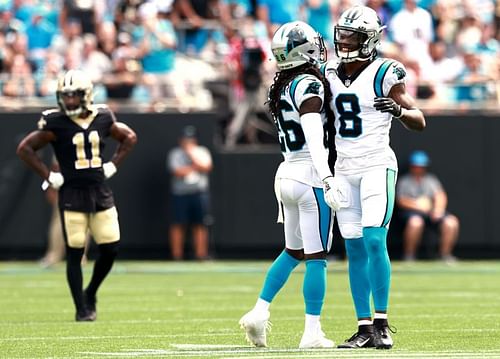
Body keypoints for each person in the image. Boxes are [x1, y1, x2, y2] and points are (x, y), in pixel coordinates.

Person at [323, 6, 426, 349]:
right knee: (353, 248)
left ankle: (381, 322)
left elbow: (419, 118)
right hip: (345, 168)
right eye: (343, 34)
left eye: (352, 36)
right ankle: (363, 326)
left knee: (373, 241)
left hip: (376, 165)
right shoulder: (331, 72)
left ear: (369, 40)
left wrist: (397, 110)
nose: (345, 41)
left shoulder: (385, 72)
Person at [239, 21, 345, 349]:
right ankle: (312, 332)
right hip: (310, 174)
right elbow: (314, 133)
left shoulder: (282, 84)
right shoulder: (308, 83)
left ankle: (259, 312)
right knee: (316, 257)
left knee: (293, 251)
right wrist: (327, 176)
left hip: (285, 173)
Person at [16, 69, 137, 321]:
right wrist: (48, 176)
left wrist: (113, 164)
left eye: (75, 96)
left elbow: (129, 137)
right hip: (71, 192)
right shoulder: (55, 122)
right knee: (74, 251)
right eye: (66, 96)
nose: (70, 101)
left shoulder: (103, 117)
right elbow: (25, 148)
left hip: (99, 190)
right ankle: (81, 308)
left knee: (110, 248)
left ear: (87, 95)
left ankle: (90, 292)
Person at [396, 150, 459, 262]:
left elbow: (440, 195)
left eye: (421, 166)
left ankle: (445, 255)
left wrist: (438, 210)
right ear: (411, 166)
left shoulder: (431, 180)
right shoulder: (404, 181)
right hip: (412, 212)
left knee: (451, 222)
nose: (419, 169)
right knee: (415, 222)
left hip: (431, 211)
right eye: (416, 166)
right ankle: (409, 255)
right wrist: (418, 205)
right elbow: (401, 201)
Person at [167, 125, 213, 260]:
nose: (188, 142)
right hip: (180, 193)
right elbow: (177, 172)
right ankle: (177, 256)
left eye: (191, 139)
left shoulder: (202, 151)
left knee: (200, 224)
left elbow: (206, 167)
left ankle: (201, 255)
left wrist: (191, 155)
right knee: (178, 223)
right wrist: (194, 167)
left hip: (199, 192)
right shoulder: (175, 154)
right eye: (186, 139)